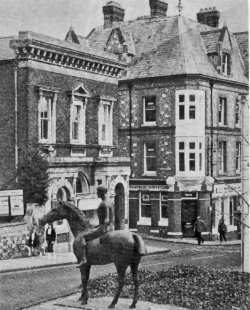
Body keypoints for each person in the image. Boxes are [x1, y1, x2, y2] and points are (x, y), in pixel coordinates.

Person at [76, 185, 114, 267]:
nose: (96, 193)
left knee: (81, 236)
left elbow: (106, 219)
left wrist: (101, 228)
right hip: (111, 227)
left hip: (104, 228)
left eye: (98, 192)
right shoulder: (110, 201)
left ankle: (83, 259)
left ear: (101, 192)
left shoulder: (103, 203)